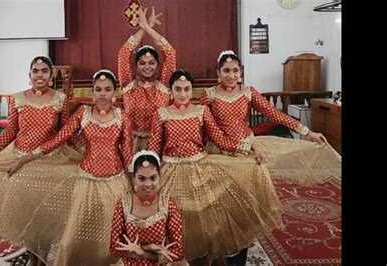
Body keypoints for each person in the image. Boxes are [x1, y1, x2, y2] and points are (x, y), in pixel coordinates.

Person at [0, 69, 133, 265]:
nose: (103, 93)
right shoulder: (82, 113)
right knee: (78, 234)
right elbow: (58, 140)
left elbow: (127, 153)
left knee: (111, 231)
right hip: (86, 181)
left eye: (107, 89)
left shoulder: (122, 117)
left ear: (115, 92)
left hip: (116, 182)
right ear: (93, 91)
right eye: (98, 89)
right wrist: (24, 159)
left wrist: (134, 184)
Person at [148, 69, 282, 265]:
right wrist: (149, 175)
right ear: (171, 91)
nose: (183, 94)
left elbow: (220, 139)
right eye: (178, 89)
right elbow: (154, 149)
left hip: (200, 166)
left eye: (187, 89)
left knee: (205, 220)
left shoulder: (201, 111)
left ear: (192, 91)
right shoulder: (161, 114)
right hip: (170, 170)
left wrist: (250, 145)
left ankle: (203, 258)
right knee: (177, 219)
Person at [0, 56, 82, 243]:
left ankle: (44, 242)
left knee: (58, 199)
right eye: (35, 71)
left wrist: (86, 149)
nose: (39, 75)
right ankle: (27, 243)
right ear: (29, 75)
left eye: (44, 71)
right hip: (18, 158)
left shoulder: (60, 99)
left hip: (51, 159)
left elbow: (65, 133)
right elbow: (10, 131)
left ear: (50, 76)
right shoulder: (18, 99)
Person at [200, 50, 341, 184]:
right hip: (218, 151)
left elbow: (274, 114)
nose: (231, 75)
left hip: (249, 150)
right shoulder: (209, 95)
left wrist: (307, 132)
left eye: (235, 70)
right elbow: (202, 126)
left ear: (241, 72)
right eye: (226, 71)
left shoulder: (248, 92)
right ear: (218, 72)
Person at [109, 150, 184, 265]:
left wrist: (144, 251)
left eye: (153, 178)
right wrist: (152, 249)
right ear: (133, 179)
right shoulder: (123, 204)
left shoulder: (168, 204)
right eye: (142, 179)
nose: (148, 184)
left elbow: (178, 252)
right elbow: (114, 249)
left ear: (159, 178)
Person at [118, 6, 176, 153]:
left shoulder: (164, 85)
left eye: (151, 63)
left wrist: (149, 29)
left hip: (159, 142)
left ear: (157, 66)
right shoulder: (128, 84)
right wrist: (144, 28)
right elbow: (124, 54)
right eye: (142, 63)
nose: (147, 67)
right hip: (131, 144)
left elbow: (170, 53)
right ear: (136, 66)